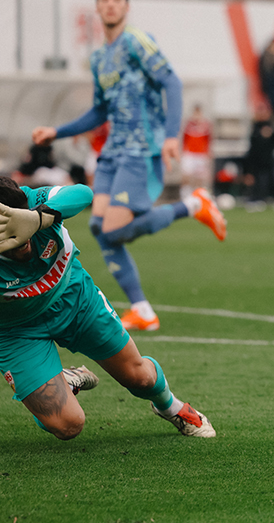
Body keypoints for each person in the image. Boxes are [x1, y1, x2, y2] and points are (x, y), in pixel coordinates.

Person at [31, 0, 227, 332]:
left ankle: (194, 205)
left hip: (140, 149)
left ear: (126, 6)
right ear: (97, 7)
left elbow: (171, 82)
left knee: (115, 228)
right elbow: (99, 111)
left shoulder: (137, 41)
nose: (110, 4)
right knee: (100, 228)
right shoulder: (99, 58)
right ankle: (142, 310)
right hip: (112, 154)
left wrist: (171, 136)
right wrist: (56, 132)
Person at [0, 176, 216, 440]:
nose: (24, 242)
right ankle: (61, 382)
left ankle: (172, 407)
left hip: (75, 299)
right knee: (67, 425)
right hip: (15, 331)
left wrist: (37, 218)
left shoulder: (30, 201)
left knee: (139, 378)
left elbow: (81, 193)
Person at [244, 105, 274, 213]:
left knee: (273, 181)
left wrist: (269, 135)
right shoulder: (255, 126)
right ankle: (257, 200)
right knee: (258, 182)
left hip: (268, 160)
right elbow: (253, 146)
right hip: (257, 160)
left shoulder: (271, 126)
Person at [180, 104, 214, 200]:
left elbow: (209, 140)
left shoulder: (206, 125)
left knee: (199, 178)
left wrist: (208, 154)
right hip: (189, 153)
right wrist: (183, 152)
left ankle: (198, 197)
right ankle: (185, 196)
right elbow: (184, 139)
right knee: (186, 176)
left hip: (201, 154)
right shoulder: (188, 124)